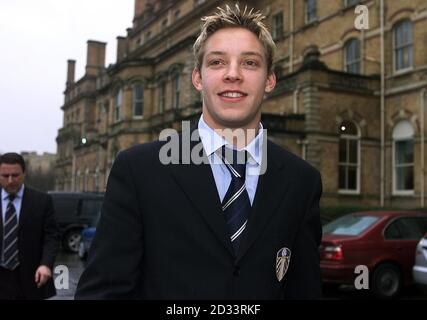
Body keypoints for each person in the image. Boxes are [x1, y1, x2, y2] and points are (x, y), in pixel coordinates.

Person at [75, 4, 322, 299]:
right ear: (197, 78)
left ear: (270, 80)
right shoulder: (139, 170)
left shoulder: (301, 180)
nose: (233, 74)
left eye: (250, 63)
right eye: (217, 62)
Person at [0, 153, 60, 299]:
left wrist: (46, 264)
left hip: (32, 280)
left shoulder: (42, 201)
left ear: (24, 173)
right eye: (5, 175)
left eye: (15, 175)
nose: (10, 180)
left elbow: (51, 237)